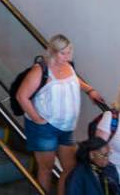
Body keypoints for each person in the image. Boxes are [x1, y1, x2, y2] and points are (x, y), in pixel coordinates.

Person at [16, 34, 106, 194]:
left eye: (69, 52)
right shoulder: (41, 70)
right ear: (53, 52)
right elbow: (21, 96)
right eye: (63, 53)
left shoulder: (68, 66)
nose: (67, 56)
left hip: (66, 127)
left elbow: (74, 80)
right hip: (44, 128)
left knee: (70, 167)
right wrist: (37, 118)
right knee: (47, 168)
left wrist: (90, 90)